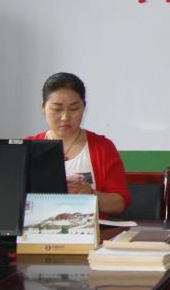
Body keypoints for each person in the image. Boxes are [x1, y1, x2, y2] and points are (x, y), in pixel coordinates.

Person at [27, 72, 131, 216]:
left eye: (74, 109)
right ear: (44, 107)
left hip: (91, 230)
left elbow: (120, 204)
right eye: (57, 109)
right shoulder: (28, 148)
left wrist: (91, 194)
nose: (65, 117)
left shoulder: (102, 148)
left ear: (84, 107)